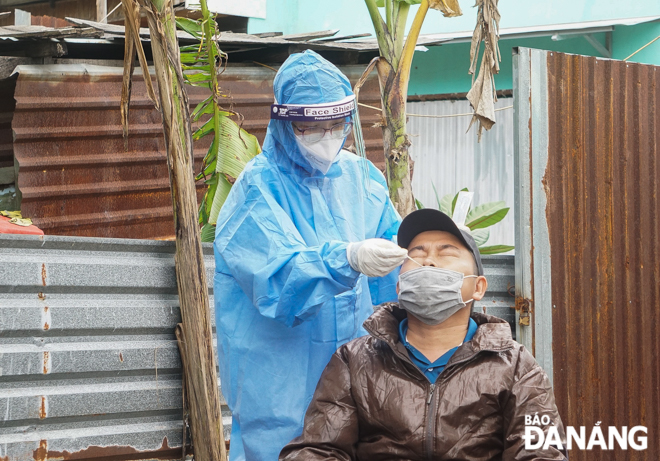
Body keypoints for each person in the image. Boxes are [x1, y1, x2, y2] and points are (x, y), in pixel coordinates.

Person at [213, 50, 407, 461]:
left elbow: (394, 262)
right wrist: (347, 258)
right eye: (310, 127)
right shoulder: (255, 193)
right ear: (283, 124)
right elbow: (281, 282)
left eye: (336, 125)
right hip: (281, 395)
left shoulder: (361, 179)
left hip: (357, 387)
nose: (327, 137)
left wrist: (431, 255)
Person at [280, 208, 568, 461]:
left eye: (446, 253)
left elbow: (540, 453)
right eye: (417, 254)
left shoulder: (516, 366)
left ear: (478, 287)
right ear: (399, 285)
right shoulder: (354, 361)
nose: (429, 261)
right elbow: (318, 450)